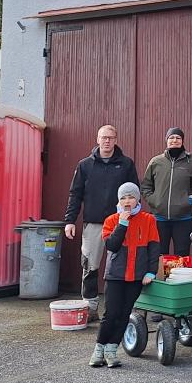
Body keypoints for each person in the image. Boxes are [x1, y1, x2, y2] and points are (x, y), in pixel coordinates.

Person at [64, 124, 139, 322]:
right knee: (90, 265)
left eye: (111, 137)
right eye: (103, 137)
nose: (107, 141)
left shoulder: (126, 165)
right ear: (97, 139)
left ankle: (122, 308)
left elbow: (135, 194)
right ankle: (90, 308)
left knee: (124, 266)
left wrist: (131, 218)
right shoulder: (84, 165)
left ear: (116, 140)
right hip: (94, 224)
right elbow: (75, 194)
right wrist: (70, 220)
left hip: (121, 222)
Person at [89, 183, 160, 368]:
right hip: (115, 276)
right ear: (118, 200)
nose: (127, 201)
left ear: (137, 199)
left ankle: (112, 351)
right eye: (123, 198)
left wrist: (151, 271)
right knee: (110, 314)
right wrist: (122, 223)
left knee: (124, 314)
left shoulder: (149, 219)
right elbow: (112, 245)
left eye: (130, 197)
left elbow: (154, 248)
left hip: (137, 277)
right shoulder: (111, 220)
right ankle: (99, 350)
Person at [140, 127, 192, 258]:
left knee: (182, 255)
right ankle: (159, 279)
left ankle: (180, 278)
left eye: (178, 138)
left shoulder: (191, 162)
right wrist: (155, 200)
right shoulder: (156, 162)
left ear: (182, 141)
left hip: (184, 218)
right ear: (166, 140)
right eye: (171, 137)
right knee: (158, 255)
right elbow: (146, 186)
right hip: (159, 218)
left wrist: (190, 199)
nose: (174, 140)